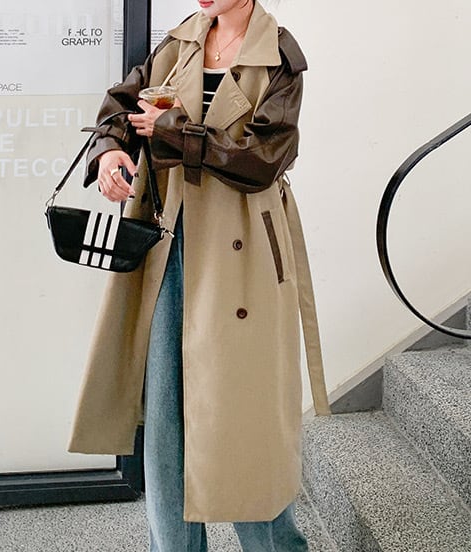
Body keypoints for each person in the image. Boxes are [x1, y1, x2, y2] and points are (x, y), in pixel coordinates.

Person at [68, 1, 331, 550]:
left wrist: (175, 132)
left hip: (244, 248)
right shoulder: (178, 43)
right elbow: (121, 107)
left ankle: (275, 546)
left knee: (246, 414)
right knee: (167, 416)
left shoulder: (277, 55)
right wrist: (110, 151)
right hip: (171, 240)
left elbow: (265, 158)